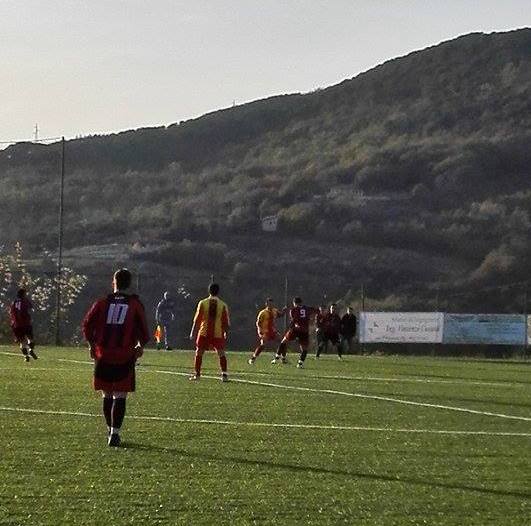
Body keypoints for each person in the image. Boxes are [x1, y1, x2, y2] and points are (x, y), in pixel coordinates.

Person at [82, 268, 149, 447]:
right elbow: (144, 330)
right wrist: (140, 346)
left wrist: (91, 345)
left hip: (103, 354)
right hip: (125, 356)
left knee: (107, 393)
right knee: (120, 395)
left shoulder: (102, 302)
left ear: (114, 282)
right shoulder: (135, 304)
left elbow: (87, 325)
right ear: (129, 284)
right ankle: (115, 433)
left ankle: (109, 429)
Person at [189, 283, 230, 382]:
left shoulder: (203, 303)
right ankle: (224, 375)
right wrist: (226, 332)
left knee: (199, 352)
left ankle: (197, 375)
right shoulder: (223, 305)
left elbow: (197, 319)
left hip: (204, 332)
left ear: (209, 291)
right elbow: (226, 321)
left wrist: (192, 332)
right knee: (221, 353)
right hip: (218, 333)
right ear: (218, 292)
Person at [272, 297, 318, 368]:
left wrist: (291, 327)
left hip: (296, 329)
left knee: (284, 341)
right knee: (305, 349)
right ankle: (300, 363)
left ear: (294, 303)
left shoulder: (293, 310)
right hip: (304, 331)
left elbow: (293, 320)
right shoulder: (307, 308)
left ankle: (276, 358)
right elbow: (316, 310)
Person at [248, 298, 285, 364]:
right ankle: (253, 358)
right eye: (269, 303)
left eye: (272, 303)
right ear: (266, 304)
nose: (270, 305)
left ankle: (283, 358)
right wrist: (260, 332)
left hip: (273, 331)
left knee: (282, 342)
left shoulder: (274, 310)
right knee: (263, 345)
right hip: (265, 331)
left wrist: (284, 311)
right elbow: (258, 323)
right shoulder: (263, 313)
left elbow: (280, 315)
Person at [9, 288, 37, 362]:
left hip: (17, 325)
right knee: (30, 339)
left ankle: (26, 356)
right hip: (26, 323)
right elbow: (31, 309)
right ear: (23, 294)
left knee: (22, 342)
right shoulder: (25, 301)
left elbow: (11, 312)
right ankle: (31, 350)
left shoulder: (14, 302)